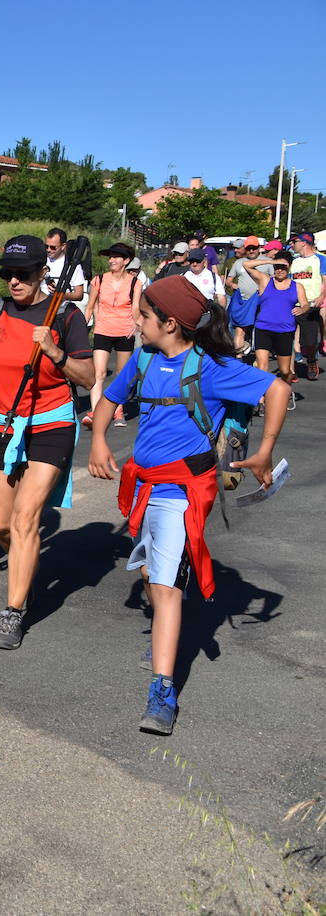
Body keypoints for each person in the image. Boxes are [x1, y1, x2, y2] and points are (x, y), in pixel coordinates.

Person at [88, 278, 288, 734]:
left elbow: (275, 389)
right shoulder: (143, 357)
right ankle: (166, 628)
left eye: (143, 317)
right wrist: (99, 439)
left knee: (165, 584)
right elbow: (112, 400)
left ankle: (162, 689)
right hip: (143, 488)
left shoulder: (213, 368)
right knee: (151, 574)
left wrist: (265, 450)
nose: (136, 323)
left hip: (181, 493)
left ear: (170, 323)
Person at [0, 235, 95, 650]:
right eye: (7, 273)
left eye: (22, 274)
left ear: (43, 272)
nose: (14, 281)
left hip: (50, 421)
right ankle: (25, 563)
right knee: (4, 525)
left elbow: (88, 377)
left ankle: (14, 610)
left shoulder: (66, 315)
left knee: (26, 518)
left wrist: (55, 351)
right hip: (0, 423)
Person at [83, 243, 144, 430]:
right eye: (110, 257)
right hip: (103, 329)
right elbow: (90, 306)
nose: (111, 260)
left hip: (125, 331)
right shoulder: (99, 280)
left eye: (116, 257)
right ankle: (96, 412)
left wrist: (139, 326)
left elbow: (135, 308)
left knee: (120, 374)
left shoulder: (135, 282)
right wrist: (81, 328)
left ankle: (118, 410)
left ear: (126, 261)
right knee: (98, 373)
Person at [239, 250, 308, 383]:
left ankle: (286, 394)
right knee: (262, 366)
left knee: (285, 371)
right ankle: (261, 400)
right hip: (263, 328)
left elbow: (305, 304)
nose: (280, 270)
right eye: (277, 267)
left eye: (284, 267)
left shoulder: (297, 286)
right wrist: (271, 261)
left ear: (290, 267)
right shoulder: (265, 281)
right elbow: (247, 264)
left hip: (285, 330)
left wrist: (302, 308)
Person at [290, 233, 325, 380]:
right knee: (288, 338)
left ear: (304, 243)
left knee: (310, 342)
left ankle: (311, 360)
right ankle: (290, 371)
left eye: (295, 241)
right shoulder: (295, 261)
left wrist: (321, 296)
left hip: (311, 305)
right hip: (292, 304)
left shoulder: (320, 259)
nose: (292, 244)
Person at [226, 236, 267, 355]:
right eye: (248, 248)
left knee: (260, 332)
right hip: (243, 302)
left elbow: (275, 280)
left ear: (259, 248)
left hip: (262, 302)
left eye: (254, 248)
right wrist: (233, 285)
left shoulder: (266, 262)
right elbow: (229, 280)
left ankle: (259, 360)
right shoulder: (239, 263)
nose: (251, 251)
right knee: (239, 331)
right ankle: (239, 357)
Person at [43, 228, 87, 303]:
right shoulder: (40, 260)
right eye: (46, 246)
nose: (48, 250)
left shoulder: (73, 265)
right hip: (39, 308)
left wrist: (60, 294)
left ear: (63, 246)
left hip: (60, 309)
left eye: (53, 247)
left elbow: (79, 295)